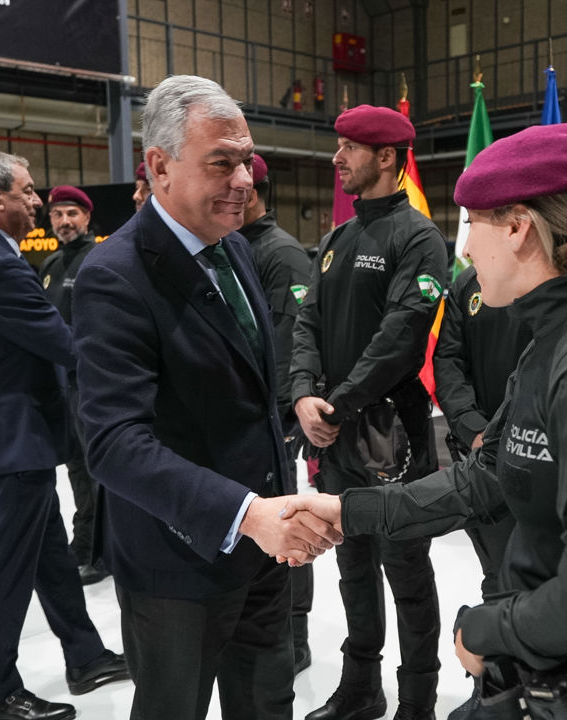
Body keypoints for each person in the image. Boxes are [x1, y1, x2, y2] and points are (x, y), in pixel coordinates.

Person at [282, 122, 567, 720]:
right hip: (549, 667)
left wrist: (487, 629)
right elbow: (483, 477)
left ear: (519, 228)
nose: (467, 249)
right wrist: (348, 510)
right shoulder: (555, 341)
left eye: (473, 224)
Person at [71, 75, 340, 720]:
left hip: (265, 552)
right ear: (159, 166)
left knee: (268, 703)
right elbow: (114, 444)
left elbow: (251, 398)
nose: (244, 180)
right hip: (178, 564)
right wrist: (246, 513)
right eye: (222, 163)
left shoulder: (234, 250)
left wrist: (278, 510)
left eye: (246, 160)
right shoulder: (115, 275)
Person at [291, 103, 447, 720]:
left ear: (386, 156)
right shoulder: (336, 239)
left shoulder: (419, 237)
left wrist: (338, 402)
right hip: (334, 432)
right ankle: (361, 688)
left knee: (406, 571)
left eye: (349, 147)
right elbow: (307, 320)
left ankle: (418, 701)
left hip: (390, 433)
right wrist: (303, 393)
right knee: (352, 565)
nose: (337, 158)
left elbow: (402, 335)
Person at [0, 151, 130, 720]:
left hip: (7, 439)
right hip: (10, 445)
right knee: (4, 576)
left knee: (49, 557)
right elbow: (63, 343)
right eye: (28, 191)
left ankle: (85, 656)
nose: (38, 201)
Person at [432, 264, 531, 719]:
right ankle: (492, 690)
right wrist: (474, 429)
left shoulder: (559, 271)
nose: (469, 243)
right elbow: (448, 359)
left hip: (540, 459)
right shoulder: (468, 282)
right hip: (480, 458)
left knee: (532, 584)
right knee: (495, 577)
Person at [238, 152, 316, 675]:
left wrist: (283, 422)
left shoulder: (280, 253)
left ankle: (296, 635)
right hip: (242, 420)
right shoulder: (232, 247)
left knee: (286, 522)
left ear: (250, 191)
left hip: (271, 420)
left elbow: (290, 345)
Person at [38, 185, 108, 586]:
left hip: (93, 384)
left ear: (86, 217)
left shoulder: (99, 258)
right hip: (61, 385)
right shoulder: (50, 264)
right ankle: (84, 543)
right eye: (57, 214)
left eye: (72, 214)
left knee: (98, 468)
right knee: (77, 468)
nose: (64, 222)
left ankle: (102, 549)